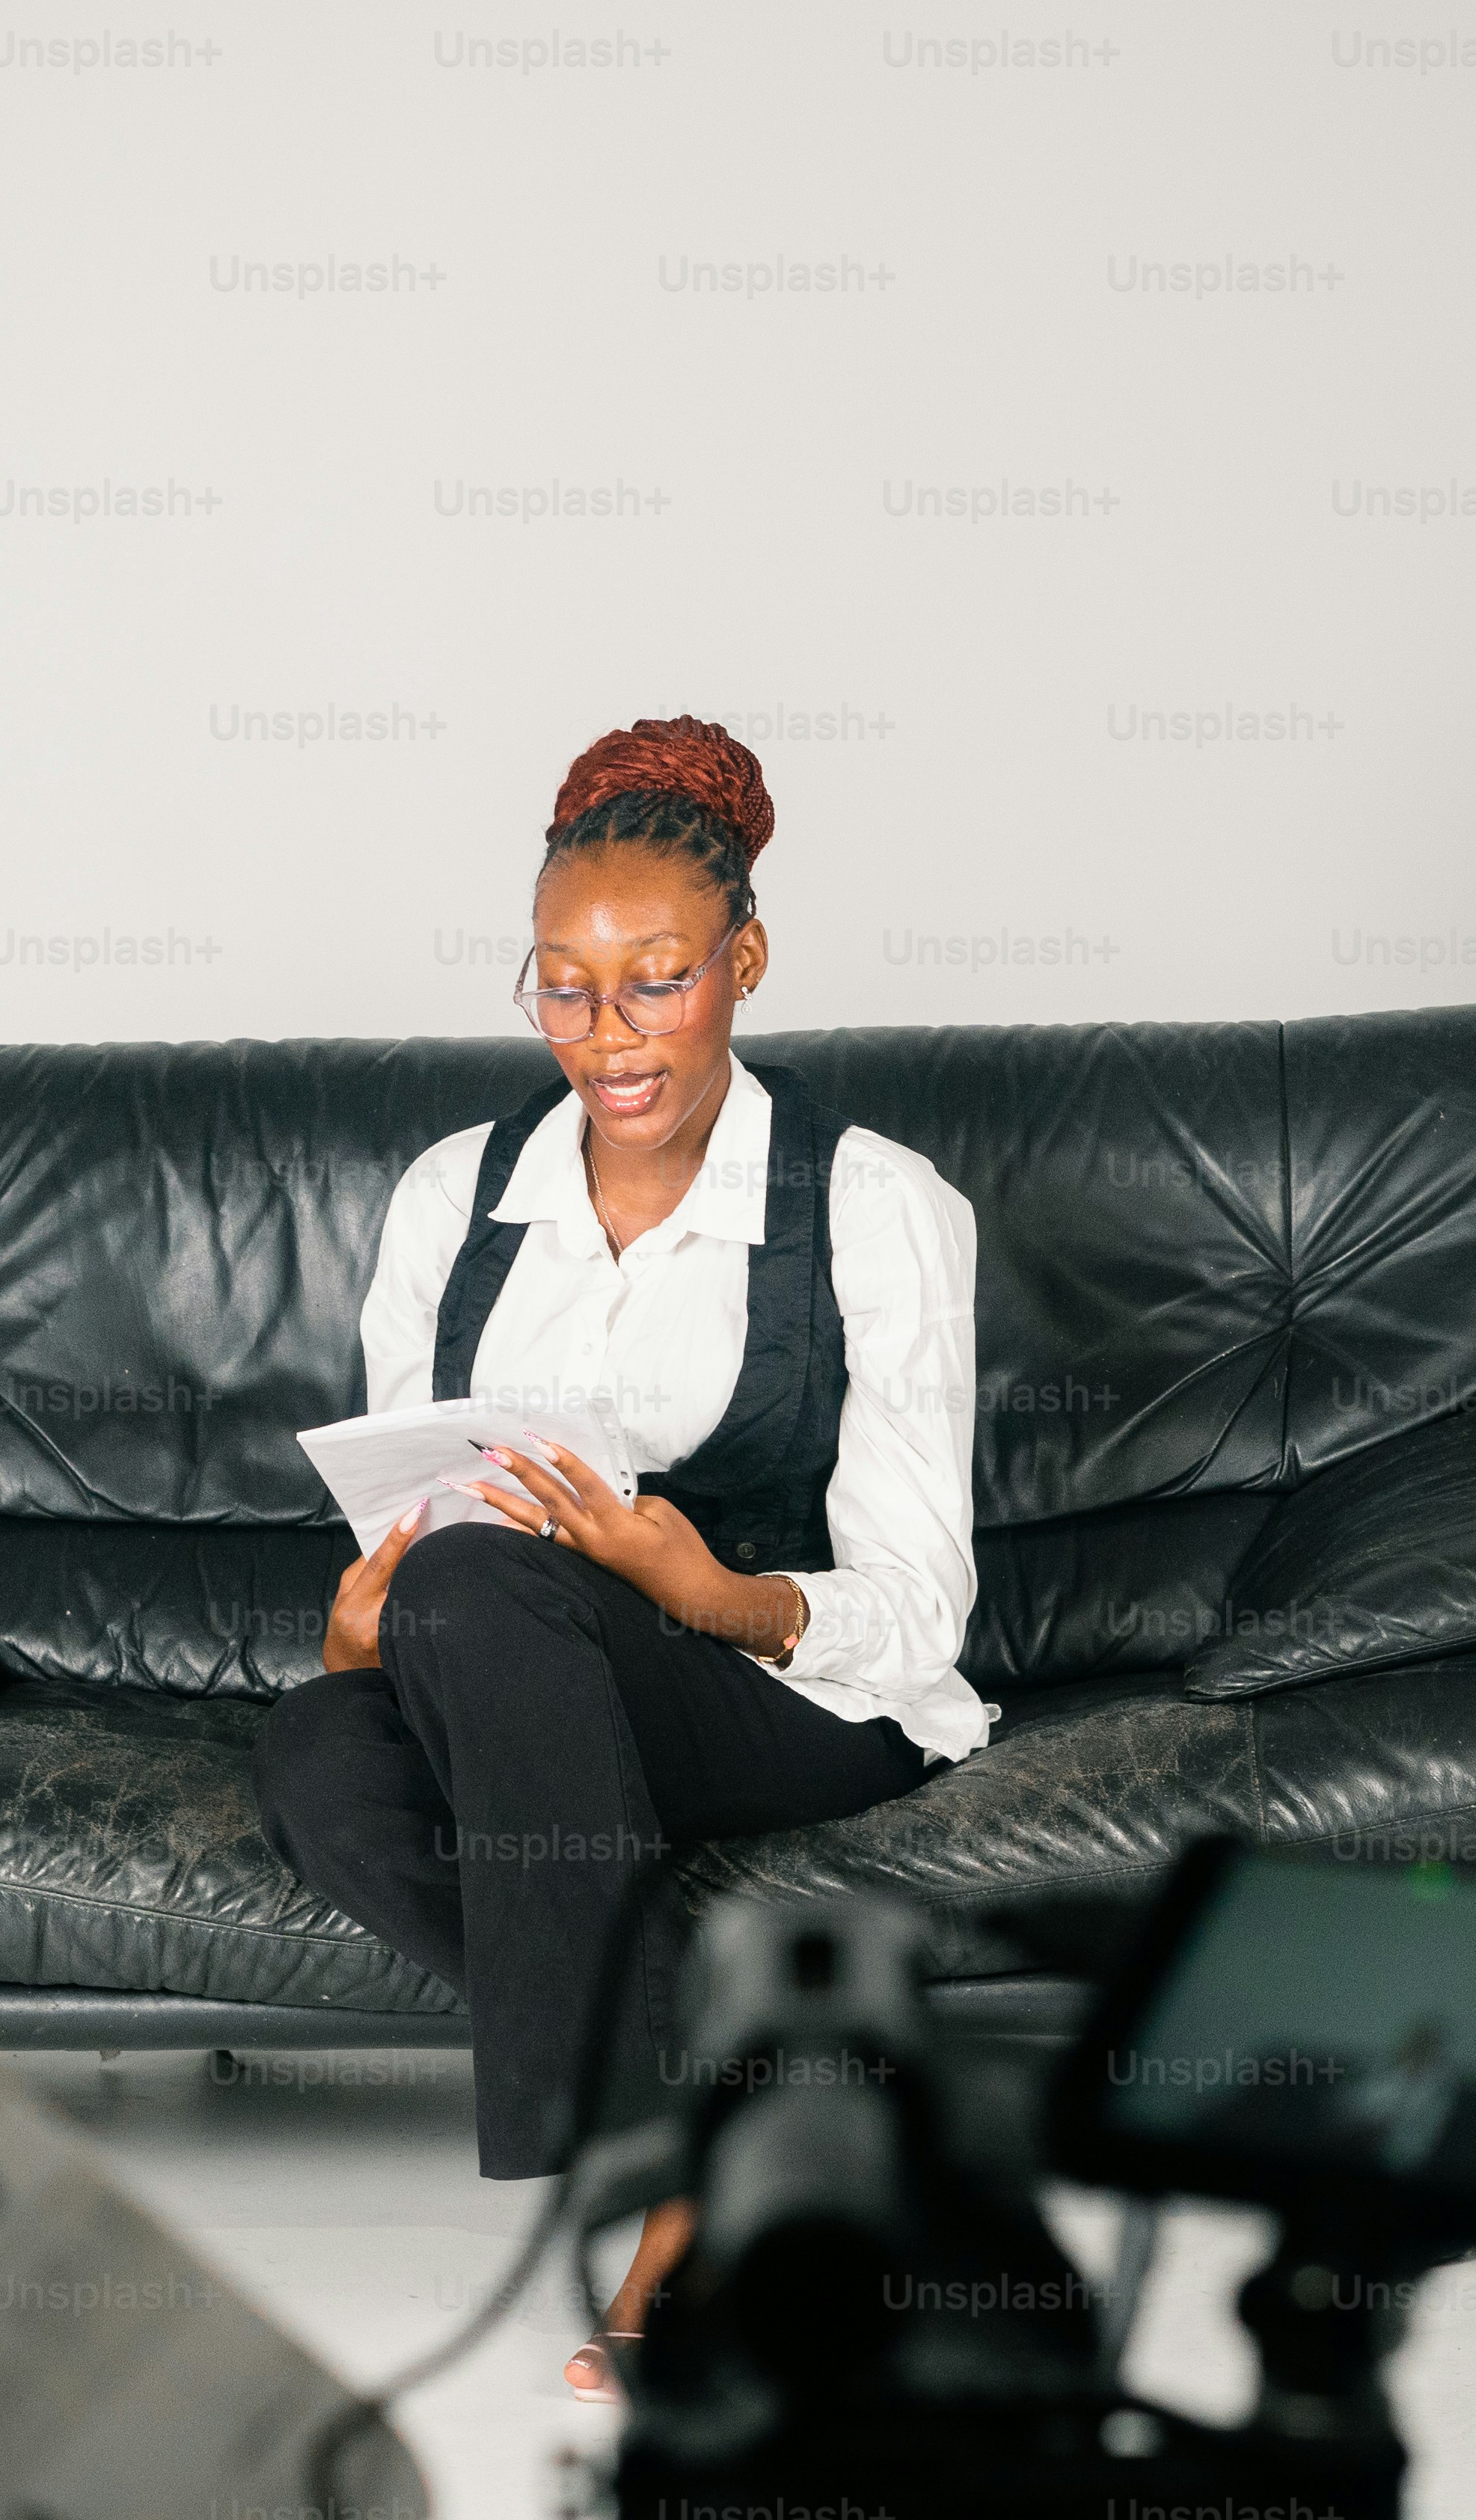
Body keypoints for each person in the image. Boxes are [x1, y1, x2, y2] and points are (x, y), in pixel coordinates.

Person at [250, 716, 988, 2400]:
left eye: (656, 982)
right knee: (314, 1755)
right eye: (565, 989)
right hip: (513, 1667)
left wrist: (699, 1587)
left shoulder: (876, 1205)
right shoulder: (455, 1194)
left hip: (790, 1693)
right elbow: (415, 1515)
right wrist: (373, 1630)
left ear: (744, 961)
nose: (608, 1037)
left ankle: (659, 2196)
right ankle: (723, 2107)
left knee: (478, 1598)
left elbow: (922, 1608)